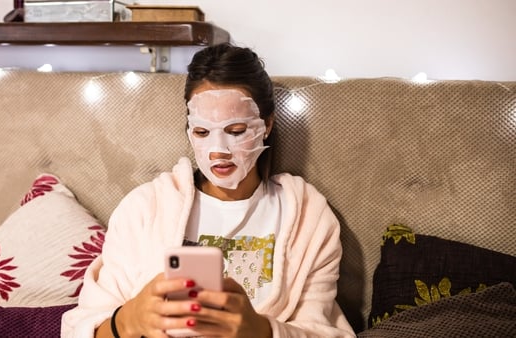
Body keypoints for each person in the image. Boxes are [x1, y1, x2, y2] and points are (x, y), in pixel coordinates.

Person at [61, 43, 355, 338]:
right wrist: (126, 322)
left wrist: (261, 331)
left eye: (236, 131)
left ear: (267, 125)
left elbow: (321, 330)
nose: (218, 151)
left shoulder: (308, 217)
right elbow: (81, 328)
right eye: (202, 132)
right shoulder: (144, 209)